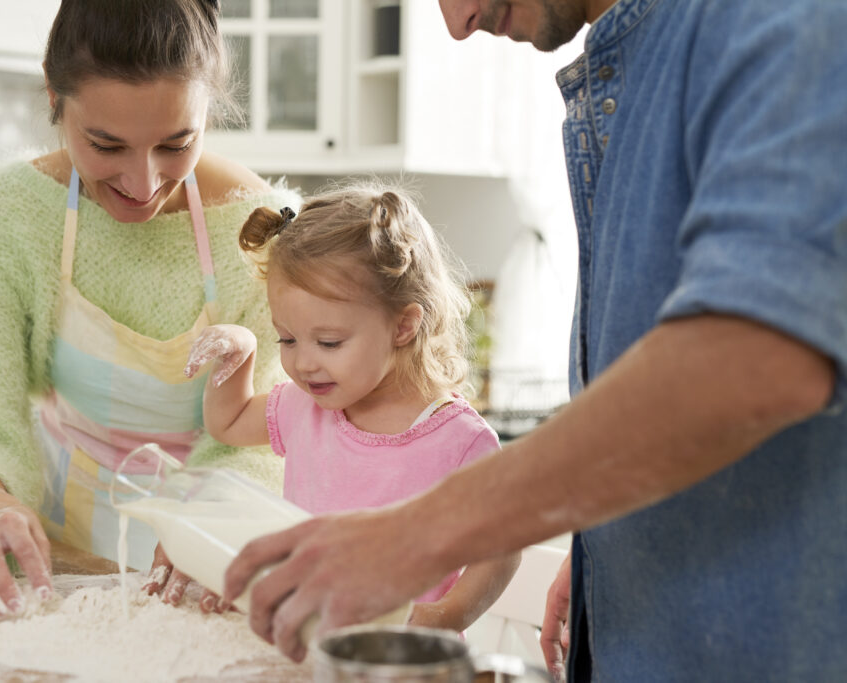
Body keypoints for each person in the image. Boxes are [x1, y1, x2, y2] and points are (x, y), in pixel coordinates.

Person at [221, 0, 847, 679]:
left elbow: (753, 359)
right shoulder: (638, 61)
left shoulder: (778, 22)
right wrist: (603, 547)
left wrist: (414, 533)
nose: (456, 22)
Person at [0, 0, 298, 620]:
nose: (143, 184)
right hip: (51, 553)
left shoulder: (266, 231)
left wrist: (209, 522)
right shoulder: (1, 216)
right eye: (105, 145)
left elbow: (270, 430)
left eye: (176, 144)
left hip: (208, 552)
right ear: (54, 97)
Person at [183, 186, 521, 633]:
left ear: (403, 325)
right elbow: (228, 422)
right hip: (303, 640)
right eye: (287, 339)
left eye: (329, 342)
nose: (303, 363)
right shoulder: (307, 406)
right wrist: (240, 351)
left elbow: (502, 546)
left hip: (394, 656)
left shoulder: (460, 441)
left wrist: (444, 615)